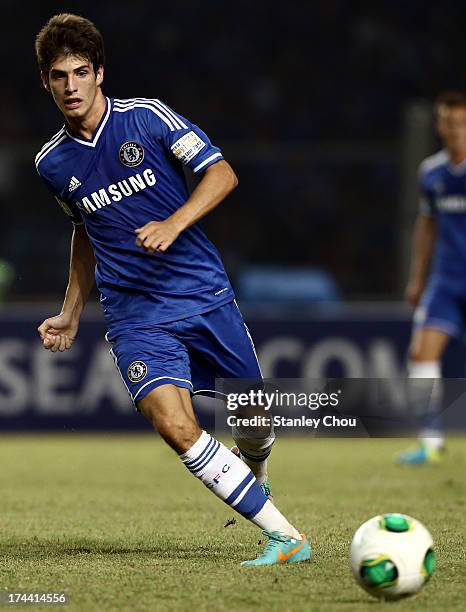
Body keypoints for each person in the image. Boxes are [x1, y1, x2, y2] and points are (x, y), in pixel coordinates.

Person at [34, 13, 311, 565]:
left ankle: (253, 470)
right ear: (46, 82)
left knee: (254, 421)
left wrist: (173, 223)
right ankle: (287, 538)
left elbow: (223, 174)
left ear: (100, 74)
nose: (70, 86)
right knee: (176, 427)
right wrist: (70, 312)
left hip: (201, 292)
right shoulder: (51, 163)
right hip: (134, 314)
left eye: (80, 72)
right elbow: (84, 232)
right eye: (59, 76)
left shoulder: (148, 119)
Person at [398, 91, 466, 464]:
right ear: (439, 126)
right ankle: (430, 442)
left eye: (460, 122)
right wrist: (416, 278)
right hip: (446, 281)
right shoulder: (432, 172)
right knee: (422, 353)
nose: (453, 129)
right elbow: (425, 228)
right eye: (448, 122)